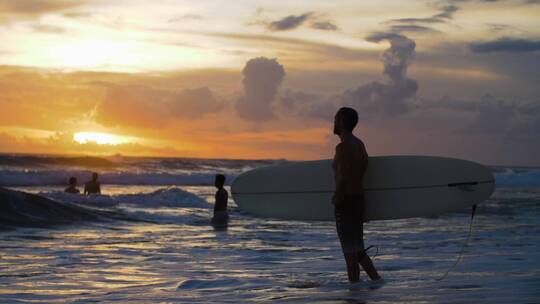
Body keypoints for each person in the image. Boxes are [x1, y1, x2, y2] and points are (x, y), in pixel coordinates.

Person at [332, 107, 381, 283]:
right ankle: (377, 281)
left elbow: (344, 174)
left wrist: (338, 195)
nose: (334, 122)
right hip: (359, 199)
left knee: (349, 254)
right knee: (358, 249)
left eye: (336, 118)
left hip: (346, 201)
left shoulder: (343, 147)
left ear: (342, 122)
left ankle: (353, 294)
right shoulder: (359, 144)